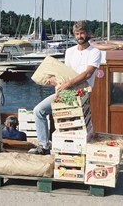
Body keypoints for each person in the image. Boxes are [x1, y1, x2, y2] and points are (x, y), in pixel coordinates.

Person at [30, 20, 102, 155]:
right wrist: (54, 81)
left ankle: (80, 153)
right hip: (66, 91)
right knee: (38, 111)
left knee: (76, 124)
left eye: (82, 33)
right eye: (77, 33)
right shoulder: (69, 51)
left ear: (88, 34)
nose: (79, 36)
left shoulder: (95, 52)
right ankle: (44, 146)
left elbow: (88, 74)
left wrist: (68, 84)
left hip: (82, 92)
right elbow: (65, 72)